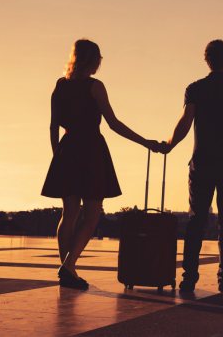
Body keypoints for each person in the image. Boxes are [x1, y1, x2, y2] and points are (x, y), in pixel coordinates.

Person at [42, 39, 163, 290]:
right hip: (90, 151)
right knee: (93, 213)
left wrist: (58, 155)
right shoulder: (95, 87)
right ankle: (69, 266)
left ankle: (68, 269)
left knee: (69, 215)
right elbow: (113, 123)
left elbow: (53, 125)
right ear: (93, 60)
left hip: (67, 148)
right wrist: (145, 142)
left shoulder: (60, 86)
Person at [163, 39, 223, 293]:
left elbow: (185, 123)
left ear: (207, 61)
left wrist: (169, 145)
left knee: (196, 221)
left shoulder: (195, 88)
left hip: (201, 163)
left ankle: (188, 278)